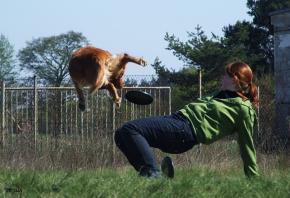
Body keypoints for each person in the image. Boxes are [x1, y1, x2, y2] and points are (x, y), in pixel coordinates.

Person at [114, 61, 259, 178]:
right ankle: (149, 174)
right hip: (177, 120)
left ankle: (153, 174)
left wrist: (253, 177)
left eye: (225, 76)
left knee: (131, 129)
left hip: (185, 130)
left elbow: (246, 144)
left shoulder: (244, 109)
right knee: (120, 135)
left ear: (234, 78)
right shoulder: (221, 94)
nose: (221, 78)